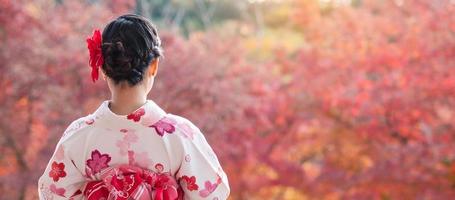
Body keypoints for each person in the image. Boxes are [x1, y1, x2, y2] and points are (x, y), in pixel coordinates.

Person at [37, 14, 230, 200]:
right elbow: (213, 194)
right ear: (153, 65)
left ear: (103, 68)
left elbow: (52, 193)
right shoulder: (180, 135)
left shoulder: (79, 136)